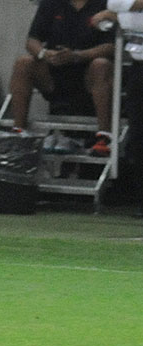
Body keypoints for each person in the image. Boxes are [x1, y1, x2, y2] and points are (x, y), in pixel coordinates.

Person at [9, 0, 115, 156]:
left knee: (102, 65)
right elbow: (32, 40)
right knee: (23, 62)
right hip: (54, 72)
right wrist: (44, 54)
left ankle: (104, 136)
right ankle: (19, 130)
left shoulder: (106, 5)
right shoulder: (51, 3)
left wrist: (77, 56)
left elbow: (111, 46)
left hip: (87, 74)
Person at [93, 0, 143, 214]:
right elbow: (116, 2)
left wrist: (119, 15)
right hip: (138, 64)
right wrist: (123, 13)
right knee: (138, 134)